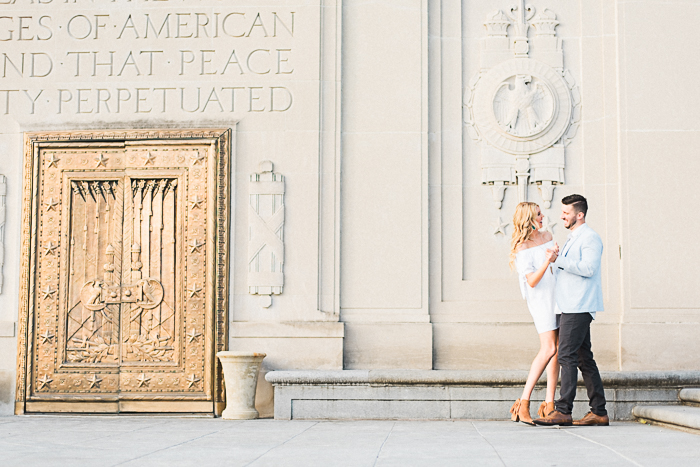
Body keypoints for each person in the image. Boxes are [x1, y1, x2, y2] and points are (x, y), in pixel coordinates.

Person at [534, 194, 609, 427]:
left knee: (566, 355)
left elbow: (589, 268)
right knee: (584, 358)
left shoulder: (590, 238)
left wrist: (559, 260)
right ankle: (599, 412)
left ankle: (564, 410)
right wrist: (556, 260)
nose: (561, 216)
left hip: (579, 306)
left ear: (580, 215)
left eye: (566, 213)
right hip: (569, 305)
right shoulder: (572, 238)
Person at [509, 202, 561, 425]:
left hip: (557, 296)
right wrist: (547, 260)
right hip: (540, 300)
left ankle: (549, 404)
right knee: (548, 348)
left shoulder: (547, 235)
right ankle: (524, 402)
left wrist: (556, 257)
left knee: (557, 349)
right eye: (538, 214)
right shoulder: (522, 247)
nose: (542, 216)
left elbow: (553, 268)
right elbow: (531, 281)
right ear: (529, 218)